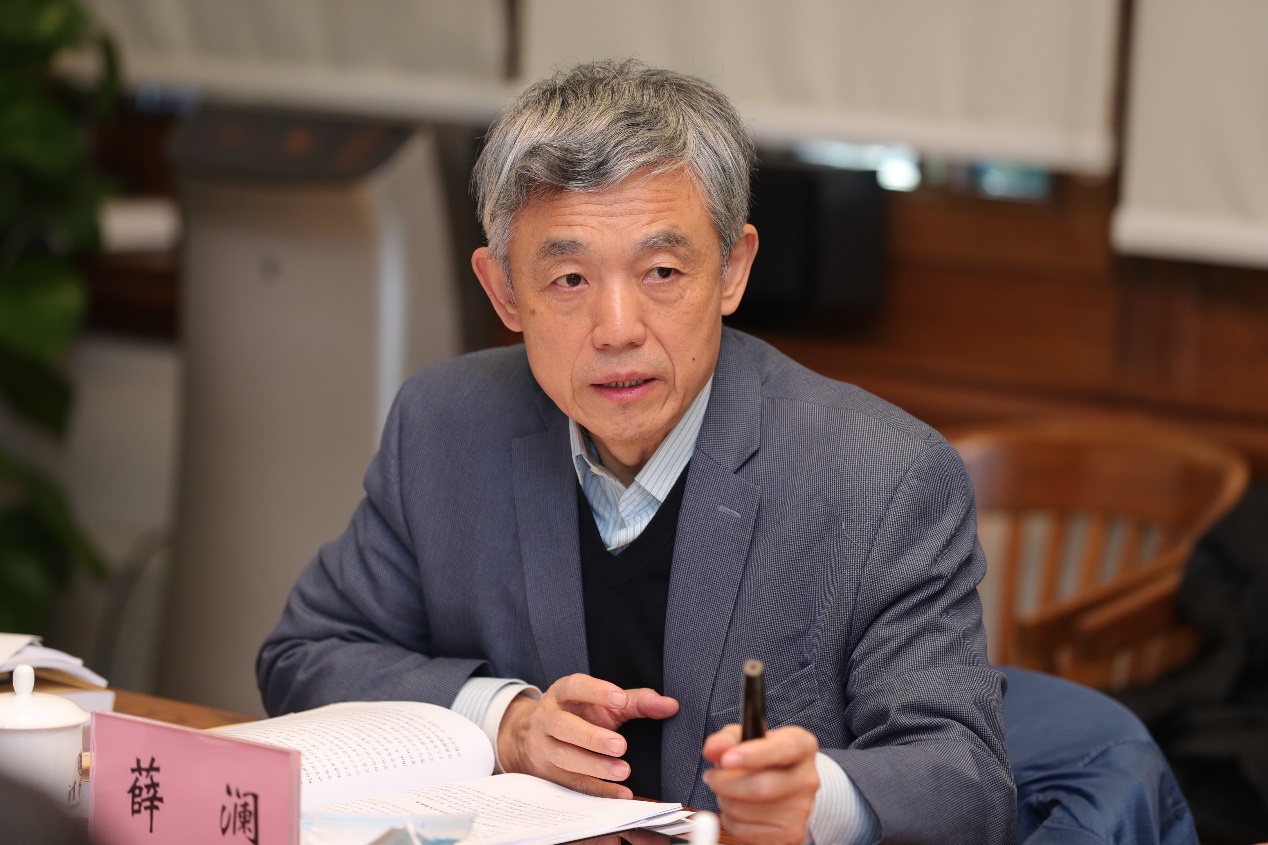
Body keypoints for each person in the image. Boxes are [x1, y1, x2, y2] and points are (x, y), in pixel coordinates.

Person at [258, 60, 1015, 845]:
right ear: (503, 290)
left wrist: (814, 797)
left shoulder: (881, 476)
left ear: (732, 268)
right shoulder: (446, 426)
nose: (617, 329)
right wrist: (505, 720)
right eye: (570, 278)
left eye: (661, 271)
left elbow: (970, 782)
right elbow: (305, 657)